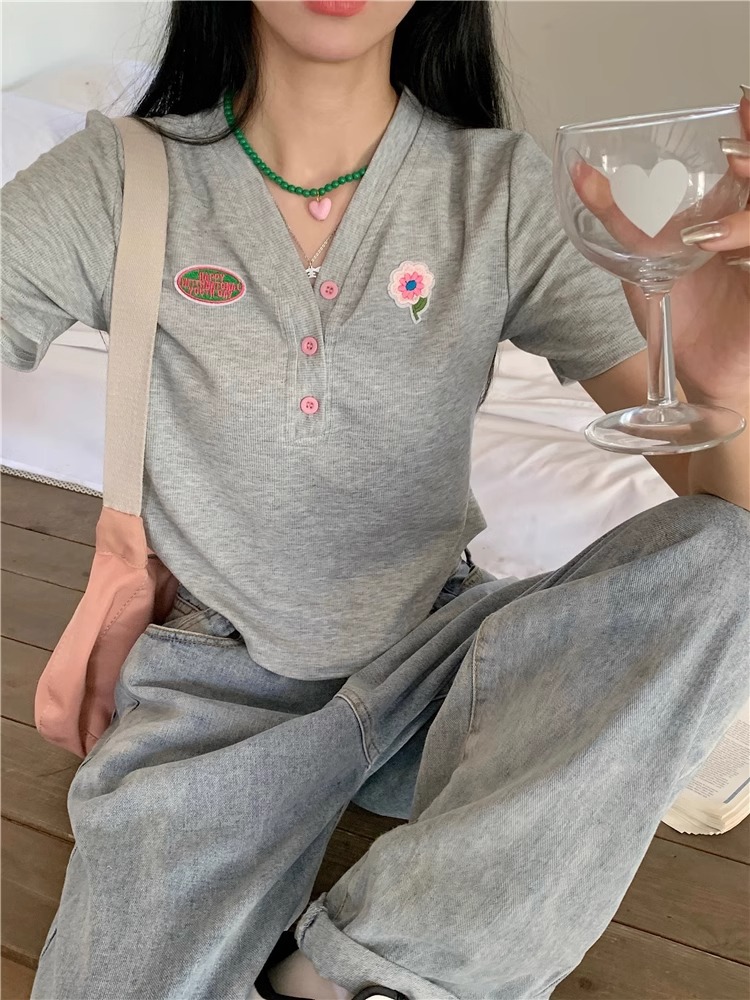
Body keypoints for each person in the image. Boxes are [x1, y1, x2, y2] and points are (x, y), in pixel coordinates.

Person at [2, 3, 749, 999]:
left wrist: (725, 390)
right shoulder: (120, 180)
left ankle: (348, 980)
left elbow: (717, 516)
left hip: (443, 658)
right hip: (216, 696)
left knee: (725, 559)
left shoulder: (499, 189)